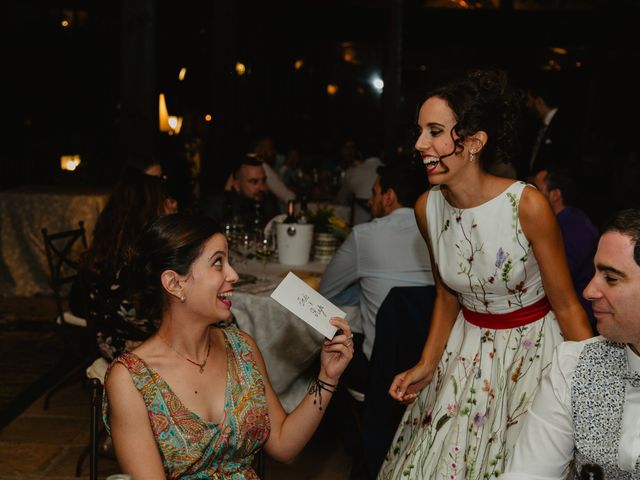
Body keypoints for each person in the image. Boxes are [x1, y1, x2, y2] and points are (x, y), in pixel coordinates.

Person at [378, 69, 593, 479]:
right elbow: (447, 294)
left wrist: (598, 384)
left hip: (532, 357)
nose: (419, 144)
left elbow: (567, 307)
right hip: (464, 352)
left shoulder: (526, 206)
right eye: (420, 130)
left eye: (435, 131)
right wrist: (427, 363)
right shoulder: (427, 208)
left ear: (474, 142)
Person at [102, 213, 353, 478]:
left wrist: (327, 378)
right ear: (175, 283)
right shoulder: (131, 379)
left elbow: (284, 446)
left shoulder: (241, 348)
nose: (233, 275)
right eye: (218, 263)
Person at [503, 208, 640, 479]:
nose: (589, 291)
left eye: (610, 278)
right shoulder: (573, 365)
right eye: (595, 273)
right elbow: (529, 474)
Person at [320, 163, 434, 381]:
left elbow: (327, 293)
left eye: (375, 193)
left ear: (389, 196)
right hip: (432, 364)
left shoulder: (365, 235)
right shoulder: (441, 232)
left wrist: (365, 293)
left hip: (380, 368)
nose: (371, 201)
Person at [71, 168, 174, 361]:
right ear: (151, 208)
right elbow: (155, 318)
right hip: (138, 351)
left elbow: (78, 304)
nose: (169, 205)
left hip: (108, 340)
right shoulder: (144, 255)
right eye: (164, 200)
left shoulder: (107, 245)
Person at [533, 168, 599, 329]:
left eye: (536, 189)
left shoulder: (576, 227)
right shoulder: (556, 222)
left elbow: (558, 276)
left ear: (555, 195)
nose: (530, 194)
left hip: (577, 315)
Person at [200, 156, 281, 232]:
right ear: (237, 185)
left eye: (263, 180)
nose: (261, 187)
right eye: (254, 182)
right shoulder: (220, 204)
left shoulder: (269, 203)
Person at [525, 75, 577, 178]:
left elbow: (566, 161)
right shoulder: (539, 125)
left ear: (539, 102)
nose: (527, 105)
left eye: (529, 100)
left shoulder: (563, 124)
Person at [336, 139, 384, 225]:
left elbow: (341, 201)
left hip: (358, 226)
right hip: (384, 225)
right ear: (382, 153)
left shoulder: (352, 172)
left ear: (359, 154)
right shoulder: (390, 172)